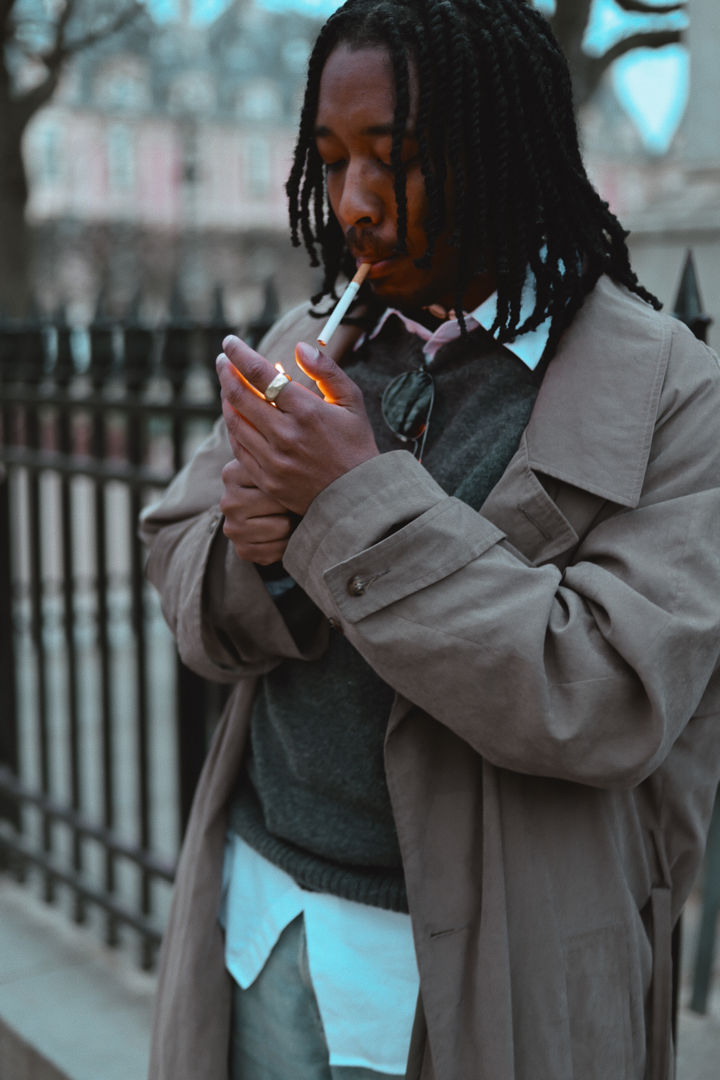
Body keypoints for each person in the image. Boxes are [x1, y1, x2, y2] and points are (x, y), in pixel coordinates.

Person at [140, 1, 720, 1078]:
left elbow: (605, 695)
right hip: (262, 923)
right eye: (331, 161)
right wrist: (258, 557)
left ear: (508, 151)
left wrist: (349, 502)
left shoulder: (671, 391)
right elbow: (176, 546)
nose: (353, 203)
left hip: (489, 970)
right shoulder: (312, 341)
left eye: (396, 160)